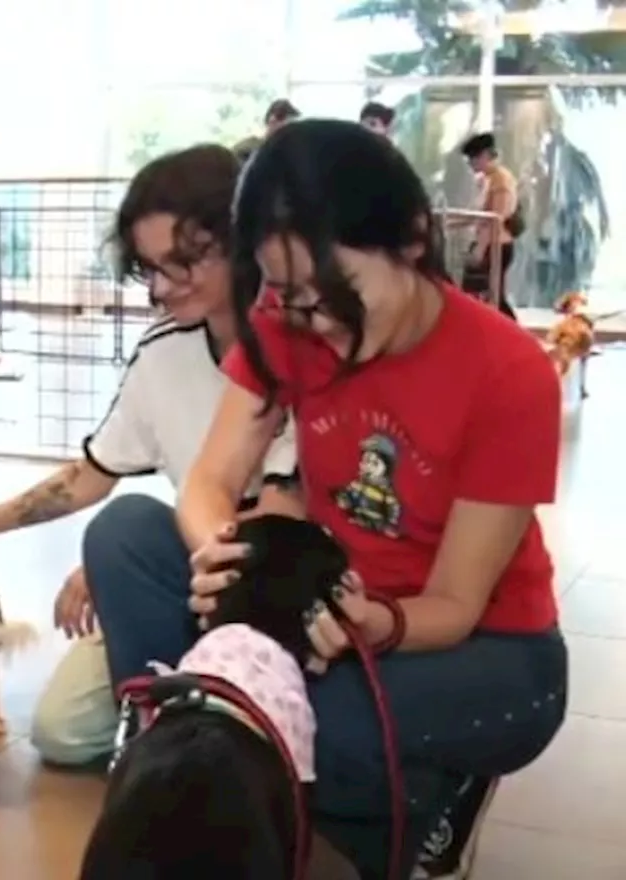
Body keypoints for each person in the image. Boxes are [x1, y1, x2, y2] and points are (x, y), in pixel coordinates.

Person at [81, 120, 567, 880]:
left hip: (482, 653)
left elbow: (456, 604)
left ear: (410, 240)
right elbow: (209, 484)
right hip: (321, 610)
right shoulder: (288, 325)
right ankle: (186, 731)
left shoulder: (508, 372)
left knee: (302, 724)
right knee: (127, 535)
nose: (322, 325)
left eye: (341, 295)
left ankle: (427, 785)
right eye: (293, 301)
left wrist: (377, 623)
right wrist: (220, 552)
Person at [0, 144, 300, 768]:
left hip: (279, 580)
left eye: (184, 261)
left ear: (240, 238)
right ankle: (162, 717)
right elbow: (89, 477)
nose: (163, 286)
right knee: (59, 732)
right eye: (149, 268)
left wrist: (128, 564)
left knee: (126, 534)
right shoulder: (164, 351)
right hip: (198, 563)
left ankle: (205, 725)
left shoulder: (301, 346)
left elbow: (281, 515)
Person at [459, 132, 521, 320]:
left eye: (474, 158)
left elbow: (495, 218)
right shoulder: (487, 180)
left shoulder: (501, 179)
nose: (471, 163)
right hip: (489, 244)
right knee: (487, 295)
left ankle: (514, 336)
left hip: (497, 245)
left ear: (486, 155)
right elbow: (478, 215)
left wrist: (480, 248)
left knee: (492, 296)